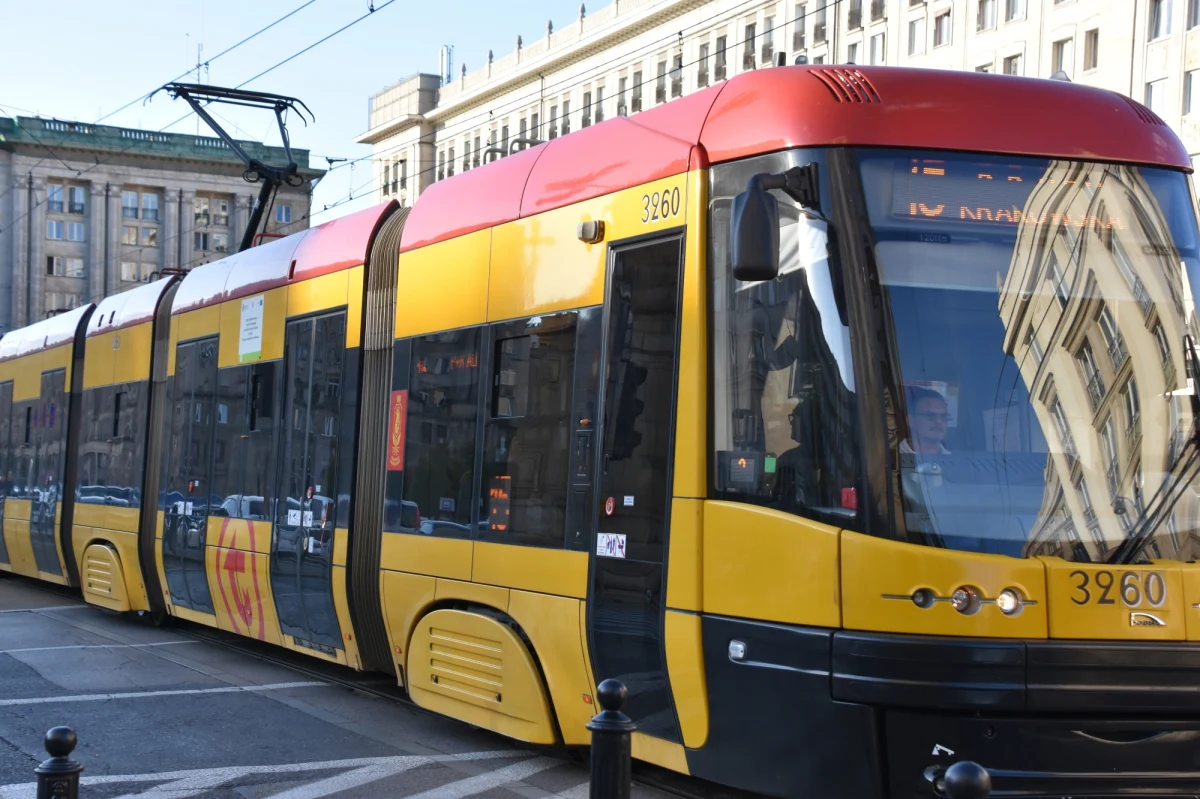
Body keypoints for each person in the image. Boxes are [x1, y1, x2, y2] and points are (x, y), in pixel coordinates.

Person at [902, 387, 952, 455]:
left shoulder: (956, 460)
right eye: (930, 416)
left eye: (943, 416)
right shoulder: (891, 457)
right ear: (911, 421)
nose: (938, 421)